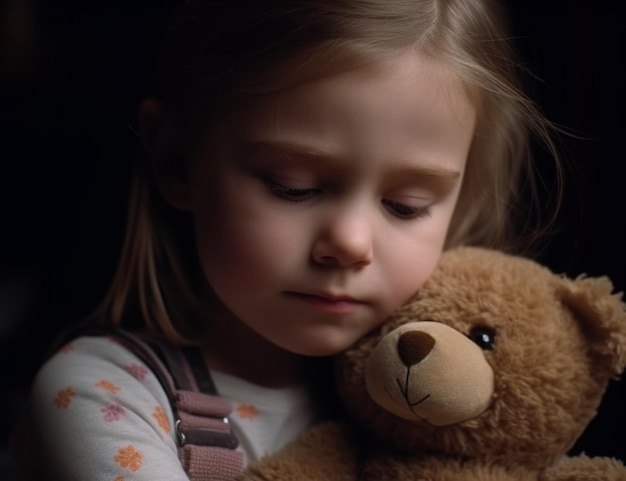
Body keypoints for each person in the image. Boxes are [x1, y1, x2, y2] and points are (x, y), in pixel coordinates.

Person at [12, 0, 561, 479]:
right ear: (177, 161)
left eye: (406, 206)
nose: (349, 242)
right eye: (292, 186)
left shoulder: (425, 410)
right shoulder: (100, 396)